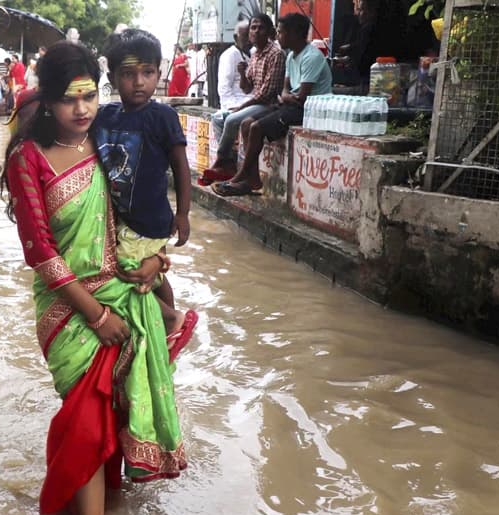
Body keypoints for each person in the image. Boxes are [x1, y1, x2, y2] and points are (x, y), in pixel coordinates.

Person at [3, 41, 188, 515]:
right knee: (86, 424)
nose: (82, 109)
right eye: (69, 99)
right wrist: (97, 315)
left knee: (115, 417)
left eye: (89, 96)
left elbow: (140, 208)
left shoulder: (107, 136)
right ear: (47, 100)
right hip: (70, 310)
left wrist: (157, 259)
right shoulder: (28, 156)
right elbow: (39, 250)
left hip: (126, 290)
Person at [96, 28, 198, 341]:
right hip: (119, 217)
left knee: (131, 275)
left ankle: (170, 319)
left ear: (158, 72)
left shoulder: (162, 116)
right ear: (112, 76)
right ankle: (169, 328)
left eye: (148, 72)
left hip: (152, 220)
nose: (139, 82)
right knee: (145, 276)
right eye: (128, 74)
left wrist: (183, 214)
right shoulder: (104, 116)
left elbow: (181, 167)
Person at [214, 13, 333, 196]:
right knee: (246, 124)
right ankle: (252, 179)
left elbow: (301, 97)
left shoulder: (311, 57)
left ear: (295, 33)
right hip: (291, 105)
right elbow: (285, 91)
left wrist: (285, 97)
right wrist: (285, 97)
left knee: (256, 127)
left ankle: (241, 175)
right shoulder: (291, 56)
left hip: (309, 109)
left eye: (281, 32)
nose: (278, 36)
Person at [201, 13, 285, 184]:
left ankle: (222, 160)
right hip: (256, 102)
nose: (255, 31)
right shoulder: (255, 54)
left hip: (270, 105)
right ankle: (231, 164)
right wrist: (242, 74)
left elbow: (266, 93)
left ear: (269, 32)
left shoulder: (275, 54)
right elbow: (247, 88)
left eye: (260, 28)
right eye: (253, 27)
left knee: (232, 120)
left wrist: (242, 106)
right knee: (221, 118)